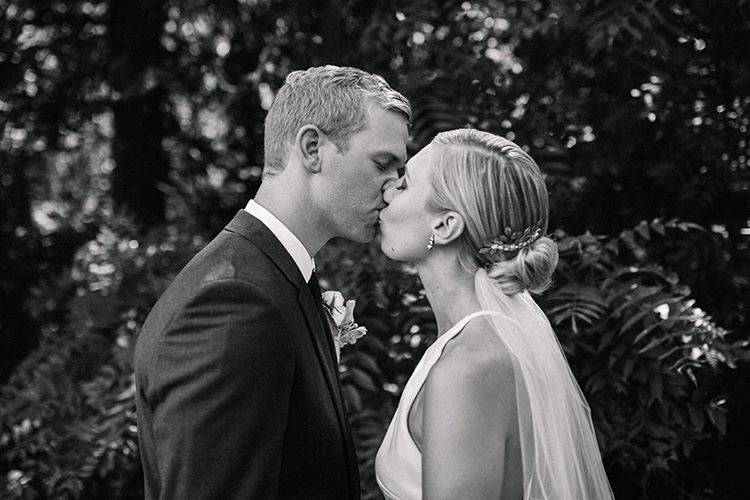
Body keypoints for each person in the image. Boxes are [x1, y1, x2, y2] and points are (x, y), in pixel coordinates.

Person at [133, 65, 410, 499]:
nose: (394, 189)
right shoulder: (234, 302)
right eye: (382, 164)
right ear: (313, 148)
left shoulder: (279, 279)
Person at [375, 129, 613, 499]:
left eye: (403, 185)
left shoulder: (470, 367)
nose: (386, 192)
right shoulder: (483, 342)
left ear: (446, 225)